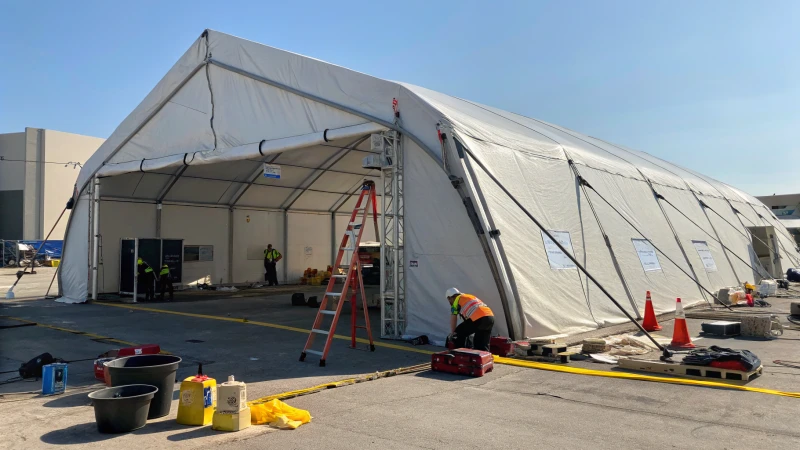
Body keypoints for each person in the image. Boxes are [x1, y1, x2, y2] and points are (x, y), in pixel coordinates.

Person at [446, 287, 494, 351]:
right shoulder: (469, 296)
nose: (449, 302)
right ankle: (483, 357)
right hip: (490, 317)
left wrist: (453, 333)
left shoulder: (456, 301)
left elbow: (453, 319)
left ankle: (459, 353)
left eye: (449, 300)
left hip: (479, 318)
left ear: (450, 297)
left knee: (459, 333)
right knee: (482, 343)